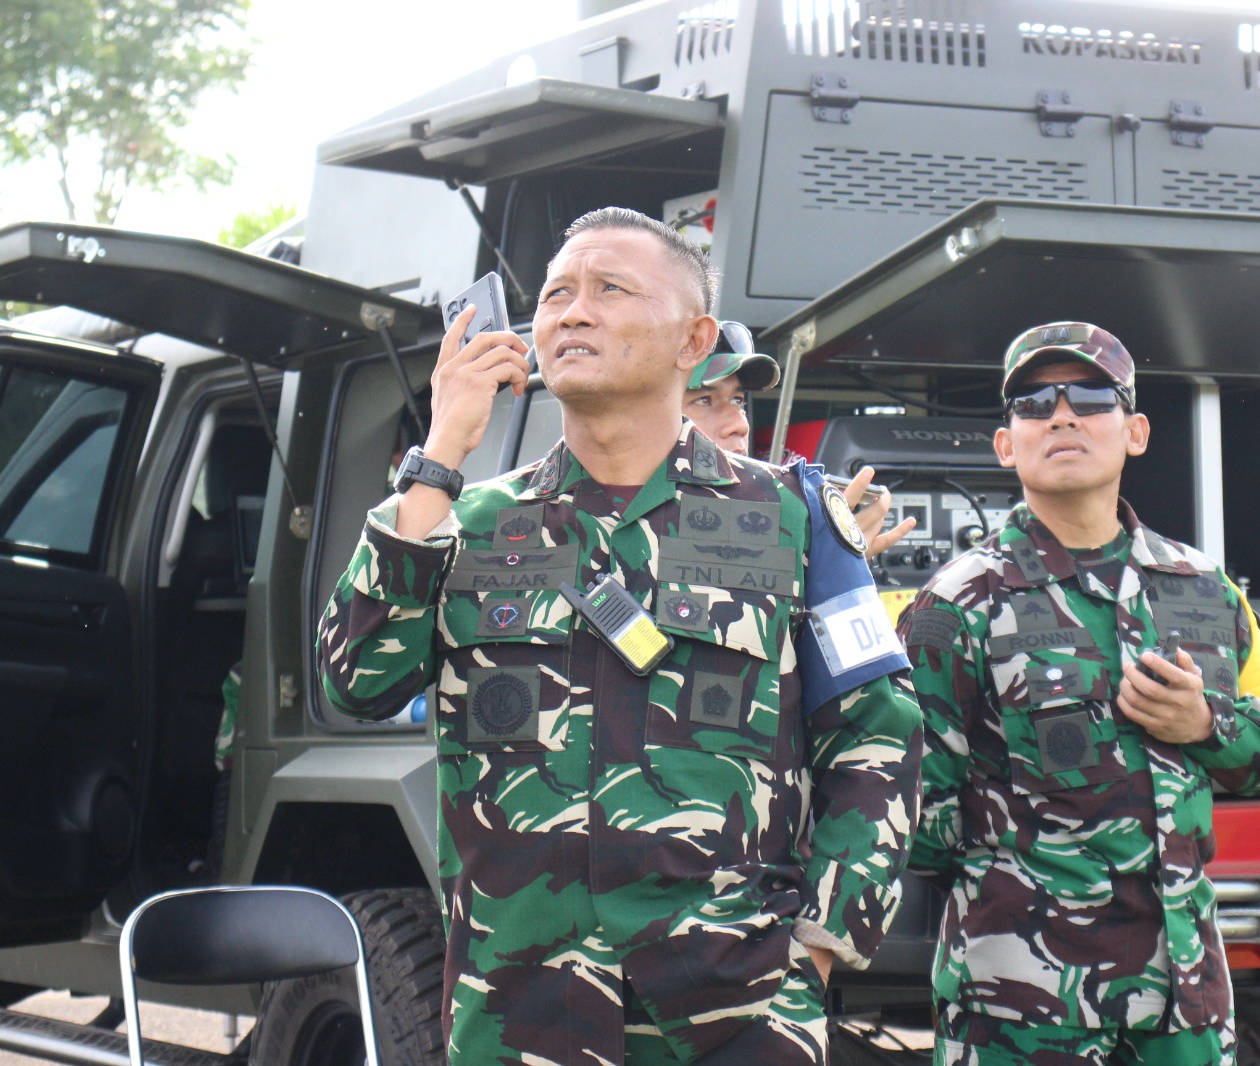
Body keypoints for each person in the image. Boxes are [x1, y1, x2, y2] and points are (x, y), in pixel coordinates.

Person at [317, 207, 923, 1065]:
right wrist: (441, 453)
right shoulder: (465, 522)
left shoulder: (794, 517)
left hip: (736, 1012)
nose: (573, 312)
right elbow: (355, 684)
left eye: (610, 290)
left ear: (693, 340)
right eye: (556, 294)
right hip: (518, 1014)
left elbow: (878, 738)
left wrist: (821, 945)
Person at [897, 322, 1260, 1066]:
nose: (1062, 417)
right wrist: (1027, 866)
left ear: (1135, 432)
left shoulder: (1202, 589)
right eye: (1034, 404)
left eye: (1090, 398)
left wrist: (1205, 723)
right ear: (1006, 444)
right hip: (1026, 1010)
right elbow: (917, 814)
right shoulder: (955, 605)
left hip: (1184, 1003)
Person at [682, 321, 916, 556]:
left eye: (738, 401)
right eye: (704, 400)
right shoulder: (659, 521)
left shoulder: (776, 519)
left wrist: (838, 564)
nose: (740, 425)